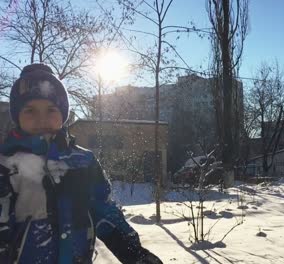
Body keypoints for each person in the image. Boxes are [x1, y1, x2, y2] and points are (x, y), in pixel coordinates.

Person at [0, 63, 163, 264]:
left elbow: (104, 211)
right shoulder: (6, 165)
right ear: (17, 116)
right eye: (30, 110)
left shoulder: (83, 162)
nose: (41, 118)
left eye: (51, 109)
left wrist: (134, 253)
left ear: (63, 114)